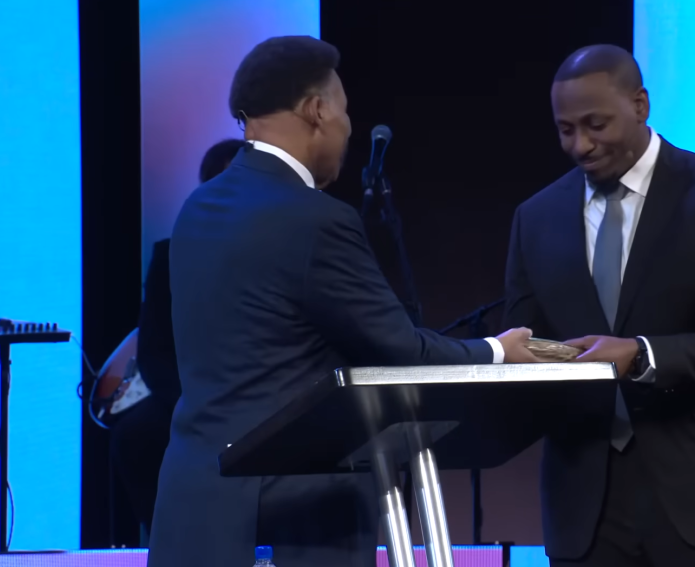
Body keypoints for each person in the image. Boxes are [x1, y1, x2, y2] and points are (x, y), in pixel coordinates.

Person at [147, 35, 536, 567]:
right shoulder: (314, 218)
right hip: (295, 516)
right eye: (346, 111)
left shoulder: (197, 209)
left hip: (196, 506)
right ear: (317, 109)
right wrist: (496, 352)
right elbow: (400, 351)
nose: (348, 128)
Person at [504, 44, 695, 566]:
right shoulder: (535, 217)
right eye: (566, 129)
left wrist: (641, 355)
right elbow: (525, 339)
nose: (580, 145)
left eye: (596, 125)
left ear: (640, 105)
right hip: (585, 514)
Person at [109, 138, 247, 537]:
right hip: (189, 396)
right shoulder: (171, 257)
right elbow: (153, 353)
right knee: (134, 435)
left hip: (258, 395)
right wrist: (195, 407)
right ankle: (163, 543)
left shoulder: (281, 250)